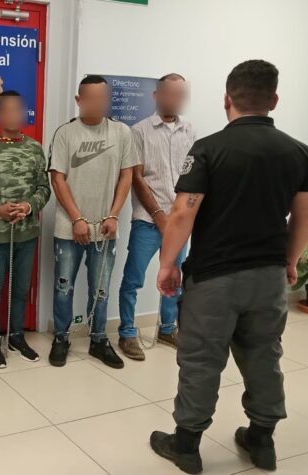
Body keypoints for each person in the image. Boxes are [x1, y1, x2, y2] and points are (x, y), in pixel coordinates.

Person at [150, 60, 308, 474]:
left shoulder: (209, 149)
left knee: (201, 360)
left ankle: (187, 445)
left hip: (215, 278)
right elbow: (306, 216)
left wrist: (168, 264)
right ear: (274, 100)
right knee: (264, 355)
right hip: (268, 278)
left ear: (228, 99)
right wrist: (289, 261)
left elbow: (182, 214)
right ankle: (262, 439)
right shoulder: (300, 152)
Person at [49, 75, 137, 369]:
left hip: (106, 227)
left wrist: (113, 214)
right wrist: (77, 218)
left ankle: (99, 340)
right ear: (79, 100)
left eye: (103, 97)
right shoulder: (65, 133)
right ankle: (61, 338)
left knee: (101, 289)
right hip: (69, 227)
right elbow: (57, 178)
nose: (99, 103)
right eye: (92, 98)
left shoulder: (121, 132)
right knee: (63, 286)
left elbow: (127, 175)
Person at [117, 74, 196, 360]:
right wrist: (158, 214)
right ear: (157, 95)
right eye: (170, 93)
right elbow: (137, 178)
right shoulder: (139, 131)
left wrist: (184, 214)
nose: (175, 99)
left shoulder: (190, 131)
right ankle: (127, 332)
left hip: (179, 222)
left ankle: (167, 328)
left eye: (180, 94)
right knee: (133, 279)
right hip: (147, 222)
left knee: (173, 278)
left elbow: (194, 176)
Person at [0, 90, 51, 368]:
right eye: (6, 110)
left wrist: (29, 206)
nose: (12, 115)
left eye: (17, 110)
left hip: (27, 232)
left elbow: (44, 188)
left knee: (21, 289)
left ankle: (17, 336)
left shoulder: (35, 148)